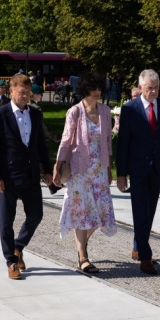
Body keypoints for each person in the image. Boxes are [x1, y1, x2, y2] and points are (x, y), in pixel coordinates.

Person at [0, 74, 52, 280]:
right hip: (7, 177)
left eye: (28, 92)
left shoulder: (35, 114)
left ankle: (18, 247)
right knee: (6, 222)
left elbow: (41, 145)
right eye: (21, 92)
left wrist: (47, 170)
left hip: (30, 175)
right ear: (11, 91)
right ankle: (11, 262)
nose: (25, 95)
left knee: (36, 215)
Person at [116, 69, 160, 275]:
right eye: (150, 88)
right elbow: (123, 143)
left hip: (158, 167)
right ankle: (145, 256)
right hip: (137, 168)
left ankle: (138, 245)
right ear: (141, 87)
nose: (153, 91)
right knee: (140, 211)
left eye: (157, 87)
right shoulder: (129, 109)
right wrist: (121, 173)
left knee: (149, 212)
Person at [54, 73, 116, 273]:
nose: (97, 92)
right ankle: (83, 257)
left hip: (99, 170)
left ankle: (82, 246)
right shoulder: (75, 112)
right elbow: (65, 139)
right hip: (80, 171)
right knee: (82, 213)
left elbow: (107, 141)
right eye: (93, 88)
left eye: (99, 88)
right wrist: (58, 164)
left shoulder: (106, 111)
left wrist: (108, 168)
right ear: (85, 90)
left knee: (99, 213)